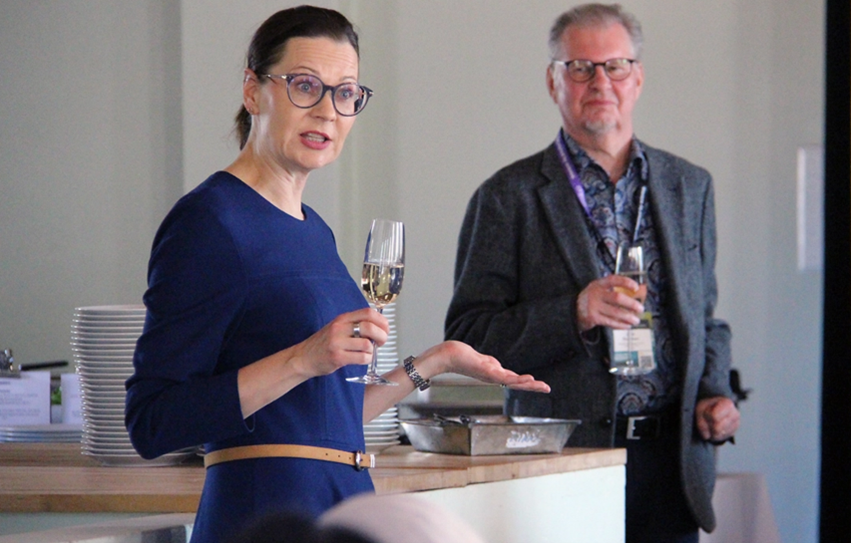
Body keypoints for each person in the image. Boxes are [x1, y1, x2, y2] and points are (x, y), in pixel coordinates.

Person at [124, 6, 549, 543]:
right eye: (305, 85)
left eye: (345, 93)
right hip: (266, 517)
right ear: (253, 91)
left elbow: (328, 416)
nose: (327, 112)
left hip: (342, 504)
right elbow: (152, 422)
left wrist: (434, 363)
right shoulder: (209, 222)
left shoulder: (313, 229)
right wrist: (302, 357)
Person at [444, 4, 740, 543]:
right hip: (561, 465)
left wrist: (714, 393)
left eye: (615, 66)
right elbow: (468, 338)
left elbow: (705, 320)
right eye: (579, 67)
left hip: (671, 465)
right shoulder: (507, 197)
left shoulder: (689, 187)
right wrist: (574, 312)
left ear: (639, 77)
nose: (599, 81)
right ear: (553, 82)